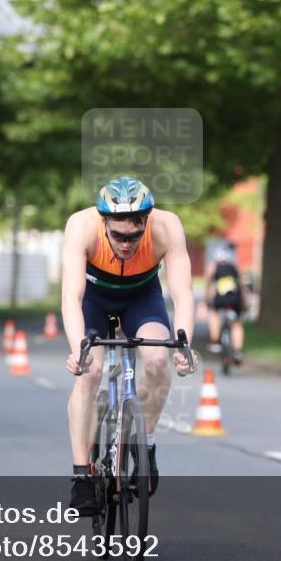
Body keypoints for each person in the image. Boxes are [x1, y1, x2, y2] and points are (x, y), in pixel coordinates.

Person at [62, 176, 199, 515]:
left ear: (146, 224)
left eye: (134, 236)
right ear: (104, 222)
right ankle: (82, 476)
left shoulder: (167, 227)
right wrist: (79, 348)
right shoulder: (81, 226)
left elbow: (183, 294)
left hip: (141, 297)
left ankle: (145, 446)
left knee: (156, 360)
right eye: (118, 235)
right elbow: (71, 296)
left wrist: (183, 346)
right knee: (90, 373)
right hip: (94, 299)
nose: (126, 244)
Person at [206, 244, 246, 364]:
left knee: (214, 313)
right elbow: (242, 285)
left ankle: (215, 341)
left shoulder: (213, 267)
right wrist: (243, 301)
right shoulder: (234, 267)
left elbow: (208, 284)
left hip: (220, 299)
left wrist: (207, 299)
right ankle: (238, 351)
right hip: (235, 299)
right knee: (236, 323)